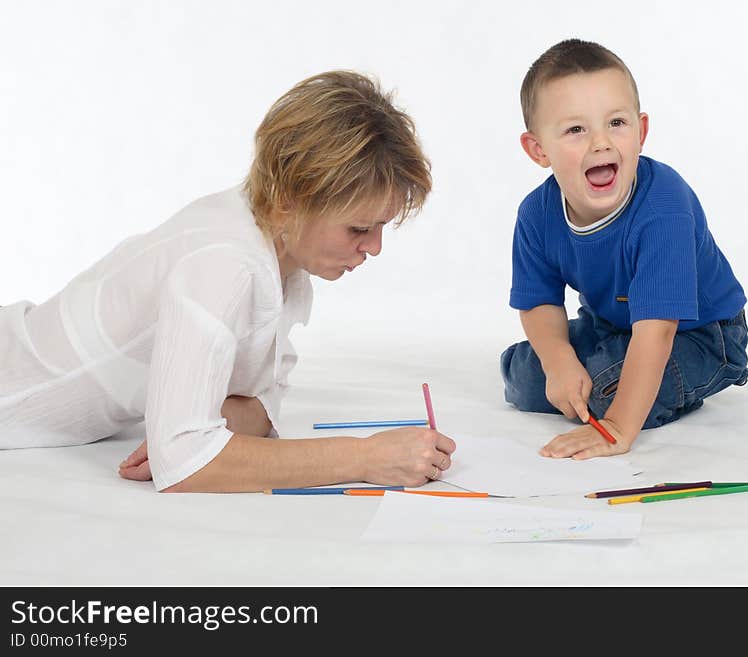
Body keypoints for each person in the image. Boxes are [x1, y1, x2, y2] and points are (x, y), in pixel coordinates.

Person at [0, 70, 456, 492]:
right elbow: (187, 465)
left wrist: (189, 429)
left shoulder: (281, 254)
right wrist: (366, 458)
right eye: (358, 229)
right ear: (288, 200)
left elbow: (257, 405)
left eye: (381, 227)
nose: (374, 247)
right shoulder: (225, 265)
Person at [500, 39, 748, 461]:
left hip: (700, 335)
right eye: (576, 130)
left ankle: (654, 386)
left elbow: (658, 330)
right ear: (538, 149)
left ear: (641, 131)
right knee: (526, 374)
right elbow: (539, 303)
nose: (600, 143)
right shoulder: (535, 215)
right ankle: (607, 370)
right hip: (611, 325)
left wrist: (617, 426)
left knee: (603, 391)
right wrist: (559, 360)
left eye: (616, 123)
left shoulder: (663, 207)